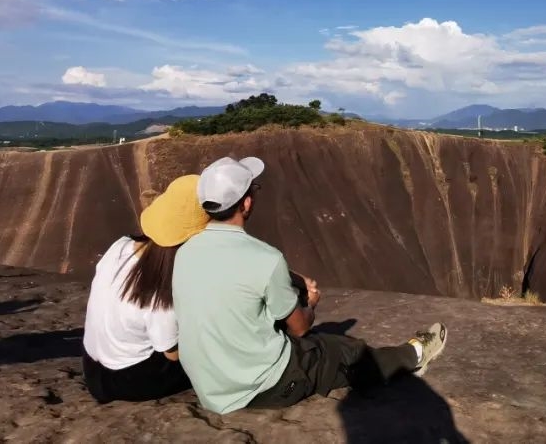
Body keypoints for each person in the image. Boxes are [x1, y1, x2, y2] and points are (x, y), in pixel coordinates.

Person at [173, 155, 448, 415]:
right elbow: (301, 328)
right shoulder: (265, 258)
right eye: (254, 190)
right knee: (343, 351)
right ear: (245, 204)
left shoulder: (185, 252)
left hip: (209, 388)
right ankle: (415, 355)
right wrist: (310, 304)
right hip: (262, 388)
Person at [81, 174, 208, 403]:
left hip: (92, 365)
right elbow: (172, 354)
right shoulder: (161, 291)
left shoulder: (120, 246)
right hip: (128, 379)